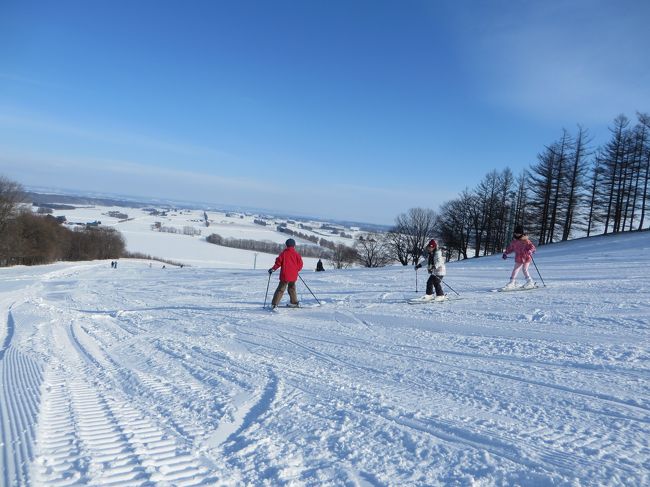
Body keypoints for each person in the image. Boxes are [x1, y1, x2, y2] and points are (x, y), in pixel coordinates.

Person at [269, 238, 304, 309]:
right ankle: (294, 303)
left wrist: (273, 269)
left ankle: (274, 304)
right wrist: (296, 270)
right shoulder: (297, 255)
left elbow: (278, 263)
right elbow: (300, 265)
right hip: (293, 276)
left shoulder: (283, 254)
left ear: (286, 245)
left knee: (281, 289)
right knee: (292, 288)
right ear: (294, 245)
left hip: (285, 275)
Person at [502, 225, 536, 289]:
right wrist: (505, 253)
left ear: (521, 233)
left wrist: (530, 251)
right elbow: (510, 248)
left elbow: (533, 247)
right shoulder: (514, 241)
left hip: (526, 257)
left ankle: (530, 282)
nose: (517, 234)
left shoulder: (526, 241)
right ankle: (512, 282)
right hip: (518, 258)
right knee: (515, 269)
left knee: (524, 269)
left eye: (518, 233)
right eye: (516, 233)